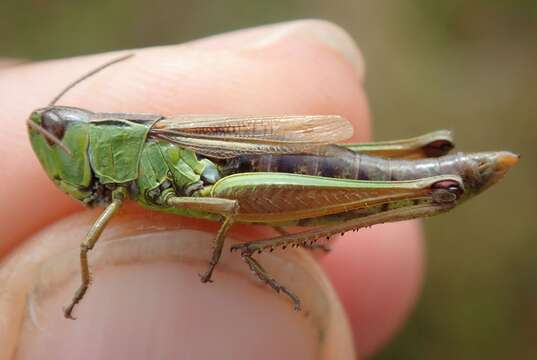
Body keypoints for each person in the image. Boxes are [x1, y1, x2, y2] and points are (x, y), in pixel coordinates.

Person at [0, 20, 423, 359]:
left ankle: (427, 181)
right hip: (249, 181)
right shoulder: (126, 173)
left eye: (68, 139)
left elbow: (227, 205)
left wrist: (219, 258)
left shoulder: (149, 148)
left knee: (225, 204)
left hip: (272, 168)